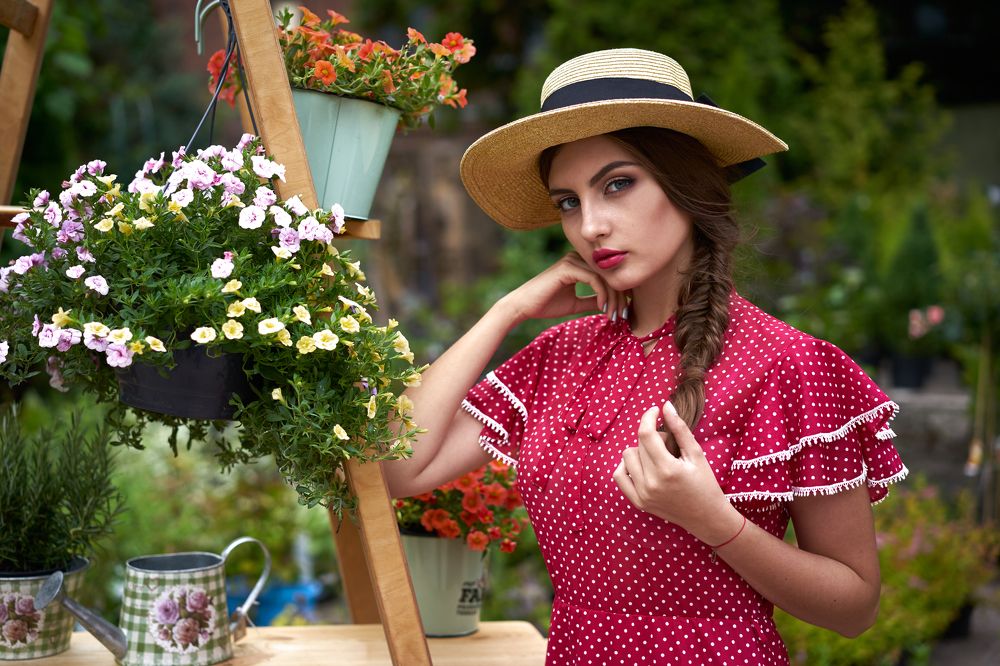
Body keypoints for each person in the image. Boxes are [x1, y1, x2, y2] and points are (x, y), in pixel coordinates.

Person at [383, 48, 907, 665]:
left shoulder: (789, 364)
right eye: (568, 202)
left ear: (685, 184)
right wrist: (506, 312)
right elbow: (399, 468)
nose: (591, 226)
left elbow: (854, 607)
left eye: (617, 184)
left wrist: (716, 523)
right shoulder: (558, 356)